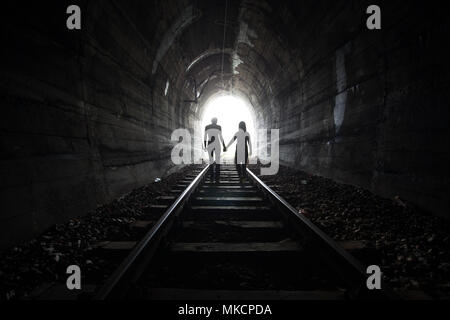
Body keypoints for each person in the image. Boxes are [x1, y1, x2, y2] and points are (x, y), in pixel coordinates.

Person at [204, 117, 227, 183]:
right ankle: (217, 179)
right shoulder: (219, 127)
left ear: (211, 121)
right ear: (216, 121)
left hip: (210, 144)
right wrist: (224, 146)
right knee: (217, 161)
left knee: (211, 161)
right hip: (217, 144)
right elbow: (220, 137)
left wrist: (205, 146)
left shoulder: (207, 127)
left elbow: (205, 137)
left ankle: (211, 178)